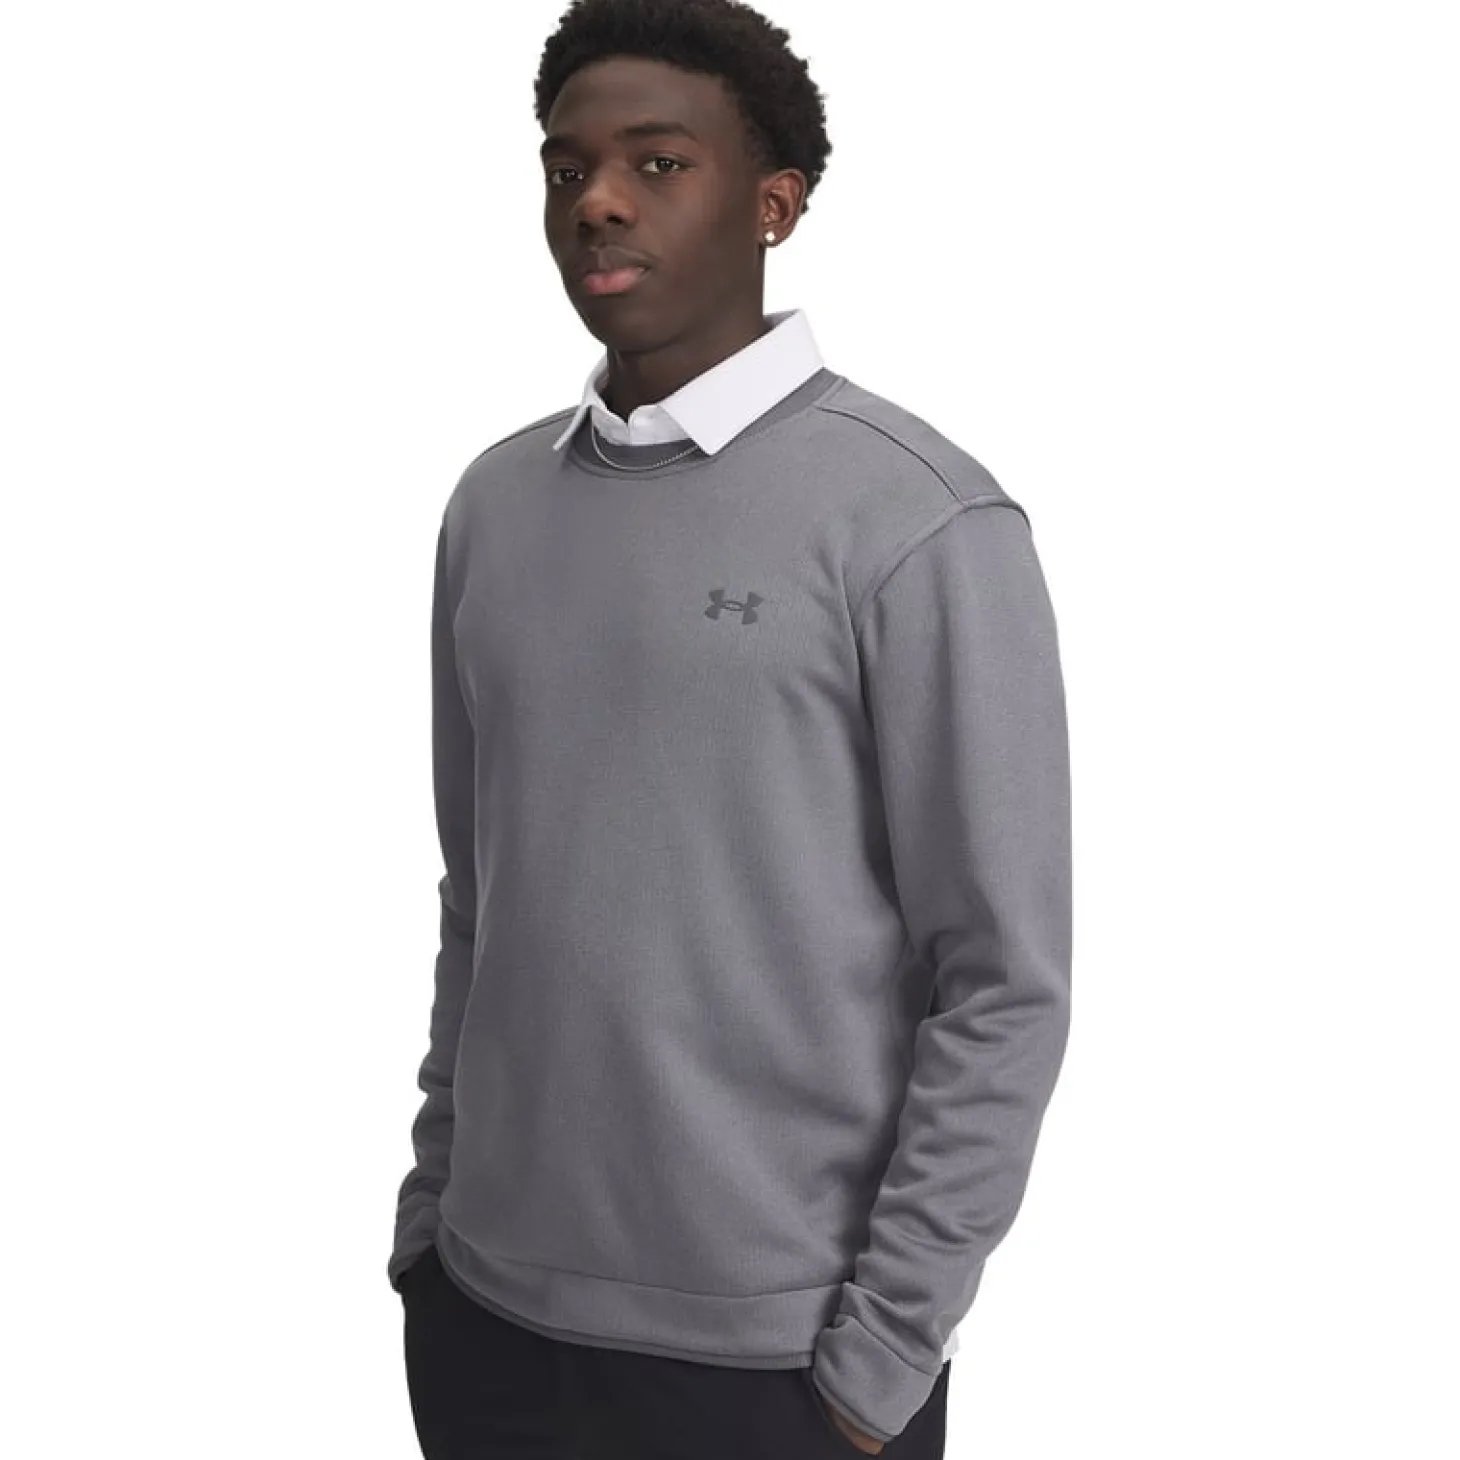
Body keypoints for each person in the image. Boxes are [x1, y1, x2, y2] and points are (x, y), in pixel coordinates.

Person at [389, 1, 1073, 1455]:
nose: (598, 201)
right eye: (567, 166)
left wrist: (884, 1354)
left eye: (657, 162)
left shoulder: (920, 518)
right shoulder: (492, 507)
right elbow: (481, 897)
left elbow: (1002, 980)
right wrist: (432, 1222)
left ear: (776, 203)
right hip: (486, 1325)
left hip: (779, 1367)